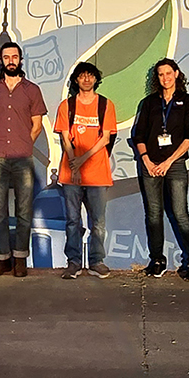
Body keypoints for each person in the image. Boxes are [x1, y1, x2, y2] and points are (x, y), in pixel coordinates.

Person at [131, 58, 189, 280]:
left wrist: (169, 161)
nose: (165, 78)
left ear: (177, 74)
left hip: (176, 164)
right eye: (161, 74)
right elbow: (139, 135)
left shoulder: (187, 101)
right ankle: (157, 260)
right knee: (153, 215)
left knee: (180, 213)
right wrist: (147, 161)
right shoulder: (149, 102)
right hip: (149, 165)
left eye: (168, 73)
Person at [0, 42, 47, 277]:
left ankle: (20, 258)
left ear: (20, 60)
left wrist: (22, 142)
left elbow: (37, 125)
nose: (10, 60)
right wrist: (3, 141)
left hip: (22, 158)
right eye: (6, 57)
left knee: (24, 209)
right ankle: (2, 259)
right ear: (1, 60)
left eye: (14, 57)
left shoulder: (32, 90)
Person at [54, 61, 118, 279]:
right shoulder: (66, 106)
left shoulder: (106, 105)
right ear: (76, 80)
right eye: (82, 76)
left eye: (91, 75)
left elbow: (105, 138)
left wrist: (82, 160)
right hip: (71, 174)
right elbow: (65, 137)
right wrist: (73, 163)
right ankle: (73, 262)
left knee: (98, 222)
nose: (87, 79)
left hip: (97, 173)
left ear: (96, 79)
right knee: (73, 221)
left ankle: (96, 261)